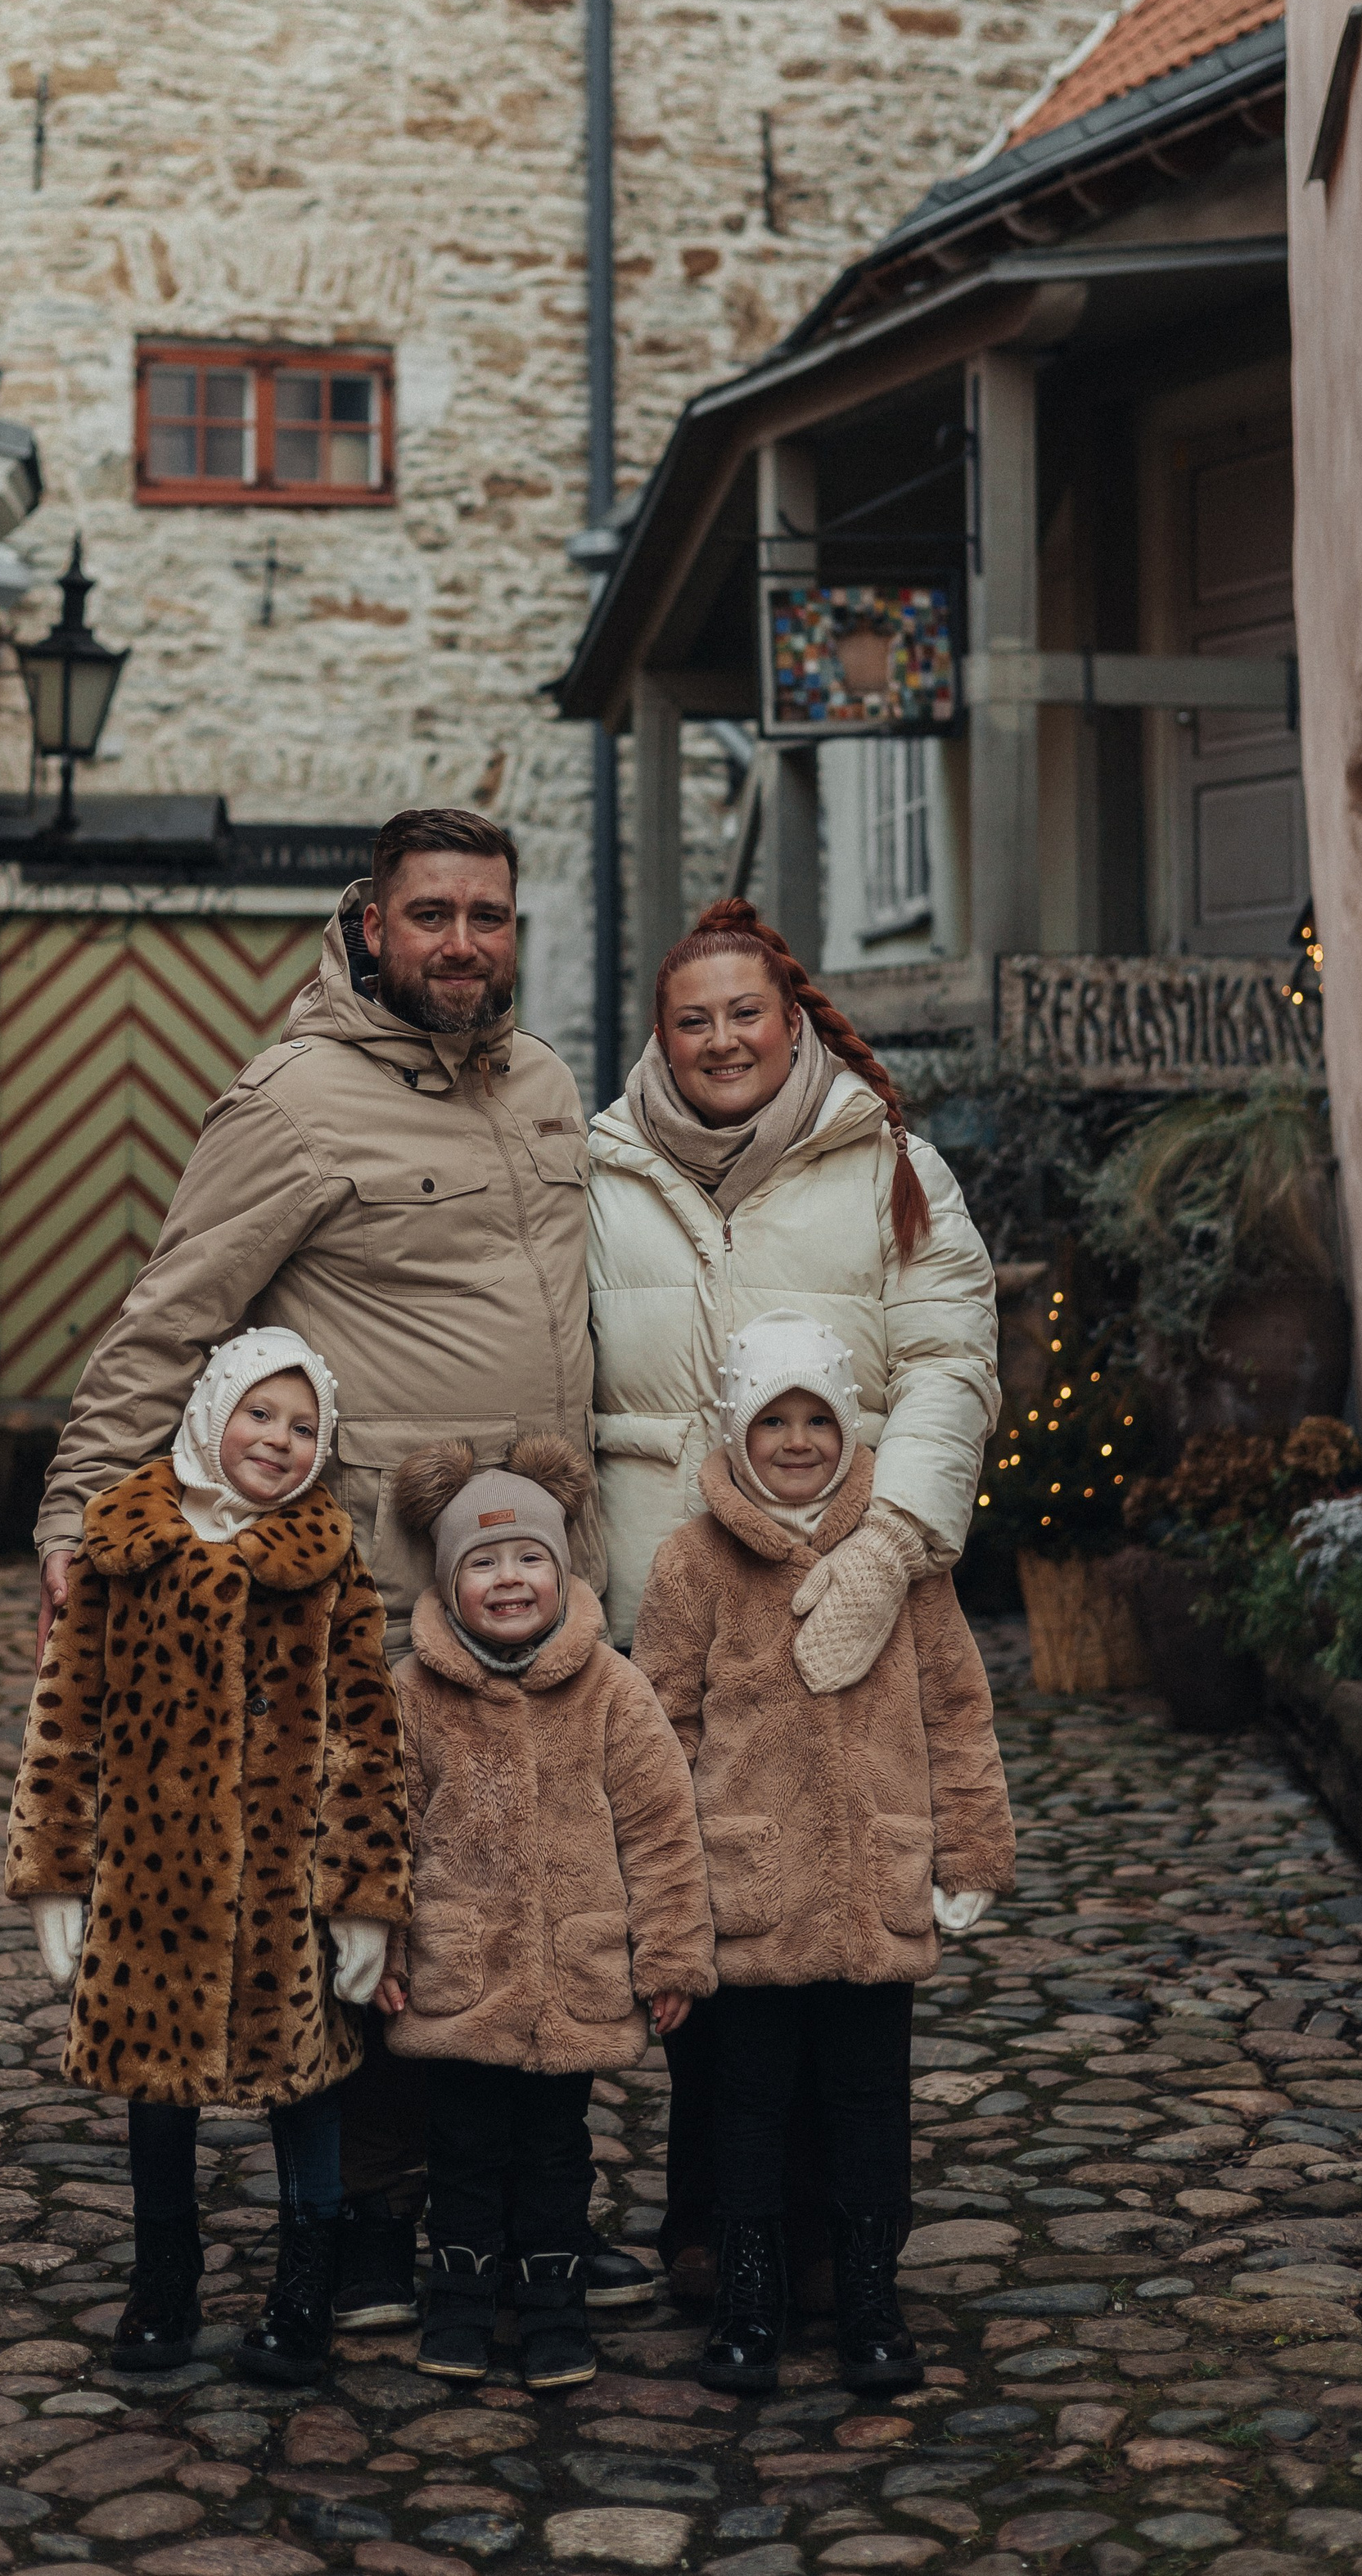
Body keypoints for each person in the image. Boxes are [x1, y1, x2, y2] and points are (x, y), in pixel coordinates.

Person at [27, 809, 639, 2325]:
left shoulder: (550, 1087)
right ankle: (369, 2219)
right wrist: (71, 1523)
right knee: (381, 1897)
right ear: (371, 924)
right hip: (373, 1583)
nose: (462, 943)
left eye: (487, 915)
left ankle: (501, 2208)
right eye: (431, 913)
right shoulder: (294, 1100)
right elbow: (169, 1321)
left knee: (525, 1886)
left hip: (545, 1580)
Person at [588, 895, 1001, 2301]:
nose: (720, 1040)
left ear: (794, 1017)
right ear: (660, 1032)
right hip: (672, 1590)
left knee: (841, 1909)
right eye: (690, 1018)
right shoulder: (600, 1169)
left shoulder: (886, 1161)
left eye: (742, 1013)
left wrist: (890, 1545)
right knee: (698, 1910)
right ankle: (714, 2219)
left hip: (849, 1587)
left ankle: (836, 2228)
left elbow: (951, 1356)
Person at [5, 1329, 412, 2382]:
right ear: (210, 1411)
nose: (278, 1439)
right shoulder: (122, 1546)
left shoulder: (325, 1561)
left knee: (305, 2081)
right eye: (260, 1413)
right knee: (158, 2082)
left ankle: (304, 2279)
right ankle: (164, 2273)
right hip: (149, 1873)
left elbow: (366, 1733)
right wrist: (55, 1868)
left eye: (303, 1425)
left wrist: (363, 1897)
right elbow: (66, 1714)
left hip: (285, 1881)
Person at [634, 1310, 1015, 2395]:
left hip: (871, 1885)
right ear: (736, 1430)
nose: (797, 1440)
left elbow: (956, 1708)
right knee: (742, 2104)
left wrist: (970, 1849)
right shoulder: (692, 1563)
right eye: (773, 1420)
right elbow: (662, 1735)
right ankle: (749, 2288)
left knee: (868, 2098)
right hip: (744, 1894)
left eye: (817, 1418)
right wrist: (668, 1887)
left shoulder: (904, 1564)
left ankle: (865, 2290)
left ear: (850, 1430)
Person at [375, 1433, 715, 2389]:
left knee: (559, 2151)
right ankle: (460, 2301)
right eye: (483, 1563)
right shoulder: (413, 1693)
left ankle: (556, 2307)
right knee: (464, 2153)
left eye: (530, 1557)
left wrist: (672, 1957)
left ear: (563, 1567)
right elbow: (381, 1832)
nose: (511, 1578)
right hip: (459, 1973)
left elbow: (661, 1830)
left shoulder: (614, 1689)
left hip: (575, 1972)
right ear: (448, 1583)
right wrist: (384, 1945)